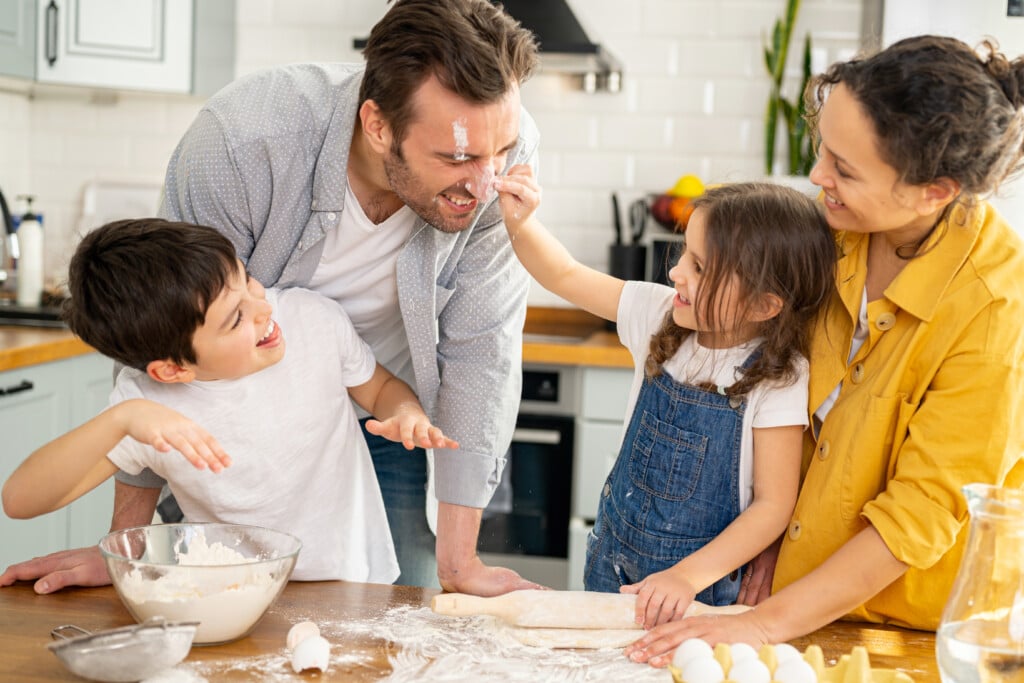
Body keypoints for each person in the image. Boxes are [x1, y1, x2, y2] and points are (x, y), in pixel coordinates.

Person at [0, 0, 542, 594]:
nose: (489, 180)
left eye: (502, 152)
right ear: (378, 125)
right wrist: (128, 551)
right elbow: (161, 332)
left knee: (393, 617)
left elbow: (481, 352)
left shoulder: (494, 148)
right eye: (457, 157)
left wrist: (461, 563)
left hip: (379, 427)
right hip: (229, 444)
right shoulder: (242, 141)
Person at [624, 35, 1024, 666]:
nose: (818, 178)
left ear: (934, 192)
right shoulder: (838, 230)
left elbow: (916, 516)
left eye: (844, 168)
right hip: (777, 601)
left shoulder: (997, 310)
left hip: (893, 630)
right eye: (824, 151)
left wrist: (761, 626)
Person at [1, 218, 459, 582]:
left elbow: (378, 388)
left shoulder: (312, 321)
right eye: (236, 317)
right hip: (231, 594)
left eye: (246, 279)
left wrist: (405, 413)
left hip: (349, 580)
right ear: (174, 370)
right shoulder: (146, 406)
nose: (264, 308)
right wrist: (121, 419)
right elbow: (20, 500)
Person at [495, 172, 837, 626]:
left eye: (700, 267)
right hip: (612, 568)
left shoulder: (778, 377)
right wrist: (520, 222)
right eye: (684, 256)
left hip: (697, 597)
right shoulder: (657, 314)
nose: (676, 271)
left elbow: (773, 505)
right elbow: (564, 274)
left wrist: (685, 577)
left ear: (763, 305)